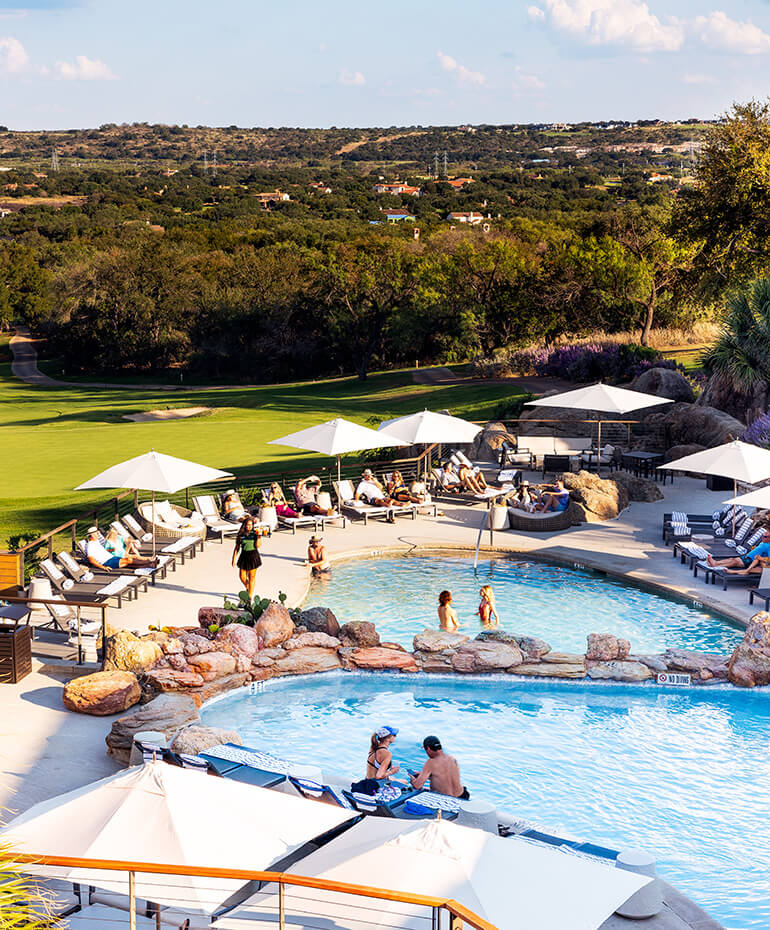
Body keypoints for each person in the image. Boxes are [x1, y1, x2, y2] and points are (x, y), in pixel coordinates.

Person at [84, 527, 157, 571]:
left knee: (129, 564)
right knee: (128, 560)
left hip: (112, 557)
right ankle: (150, 562)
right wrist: (103, 567)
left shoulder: (96, 542)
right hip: (107, 562)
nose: (98, 535)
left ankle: (150, 565)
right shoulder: (90, 545)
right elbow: (91, 559)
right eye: (97, 533)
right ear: (92, 535)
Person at [231, 515, 263, 597]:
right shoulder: (241, 535)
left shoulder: (255, 533)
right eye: (247, 524)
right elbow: (236, 548)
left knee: (251, 576)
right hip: (244, 555)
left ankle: (249, 596)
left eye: (250, 525)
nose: (249, 526)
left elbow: (258, 546)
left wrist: (259, 537)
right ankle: (249, 588)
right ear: (244, 525)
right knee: (242, 577)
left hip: (253, 555)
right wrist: (233, 559)